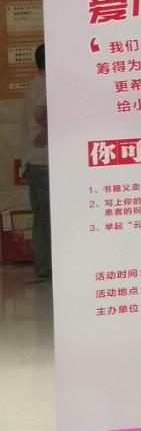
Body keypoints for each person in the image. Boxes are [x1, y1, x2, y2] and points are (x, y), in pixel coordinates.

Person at [23, 44, 49, 282]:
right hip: (44, 162)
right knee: (46, 220)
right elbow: (41, 112)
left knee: (41, 219)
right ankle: (46, 270)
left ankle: (44, 268)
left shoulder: (32, 85)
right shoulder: (46, 84)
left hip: (34, 162)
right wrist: (48, 130)